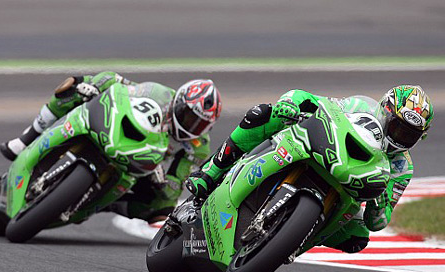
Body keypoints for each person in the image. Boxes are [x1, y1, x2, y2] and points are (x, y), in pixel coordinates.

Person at [186, 85, 434, 253]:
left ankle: (291, 240)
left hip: (350, 188)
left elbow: (378, 222)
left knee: (358, 238)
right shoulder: (360, 106)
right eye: (398, 128)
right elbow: (318, 104)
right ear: (385, 111)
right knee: (264, 114)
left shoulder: (402, 167)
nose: (400, 138)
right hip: (323, 149)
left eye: (409, 135)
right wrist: (290, 104)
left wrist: (379, 202)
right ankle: (210, 173)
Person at [0, 72, 222, 223]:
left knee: (161, 208)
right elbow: (117, 81)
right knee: (71, 86)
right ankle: (26, 139)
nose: (190, 125)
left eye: (199, 124)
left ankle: (107, 204)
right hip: (114, 132)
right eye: (187, 115)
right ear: (178, 102)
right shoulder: (159, 93)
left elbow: (177, 184)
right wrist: (93, 86)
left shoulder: (198, 147)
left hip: (143, 166)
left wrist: (164, 181)